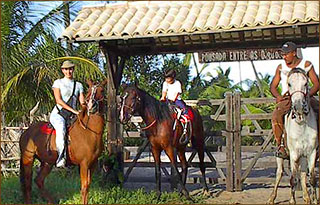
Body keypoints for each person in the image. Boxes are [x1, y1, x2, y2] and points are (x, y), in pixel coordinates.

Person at [270, 41, 319, 159]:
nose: (284, 57)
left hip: (304, 96)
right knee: (276, 115)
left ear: (294, 53)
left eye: (287, 54)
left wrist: (307, 95)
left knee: (318, 110)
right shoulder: (281, 68)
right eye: (283, 54)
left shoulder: (306, 64)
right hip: (288, 97)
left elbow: (316, 84)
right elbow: (273, 86)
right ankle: (281, 144)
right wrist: (278, 97)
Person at [49, 60, 85, 167]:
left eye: (70, 69)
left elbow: (82, 101)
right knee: (61, 129)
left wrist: (86, 108)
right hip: (59, 114)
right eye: (66, 69)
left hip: (72, 116)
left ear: (73, 70)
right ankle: (61, 159)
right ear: (62, 70)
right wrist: (74, 111)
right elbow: (58, 101)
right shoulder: (58, 83)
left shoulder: (78, 85)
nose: (68, 71)